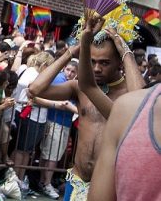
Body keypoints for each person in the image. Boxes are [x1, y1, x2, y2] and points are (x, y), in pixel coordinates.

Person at [27, 16, 145, 201]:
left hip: (107, 188)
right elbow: (35, 89)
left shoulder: (128, 95)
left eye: (104, 63)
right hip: (76, 182)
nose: (96, 68)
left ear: (120, 63)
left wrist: (125, 51)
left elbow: (141, 104)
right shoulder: (80, 88)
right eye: (92, 61)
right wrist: (69, 53)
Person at [87, 85, 161, 201]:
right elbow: (87, 86)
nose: (97, 68)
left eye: (105, 64)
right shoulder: (127, 107)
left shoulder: (129, 105)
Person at [11, 51, 55, 189]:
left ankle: (20, 177)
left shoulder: (36, 75)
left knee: (27, 151)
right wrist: (53, 103)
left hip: (37, 117)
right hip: (27, 115)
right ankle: (15, 179)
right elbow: (30, 92)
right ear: (44, 65)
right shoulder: (31, 73)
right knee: (21, 149)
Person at [38, 60, 78, 199]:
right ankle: (46, 183)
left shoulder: (73, 84)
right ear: (64, 69)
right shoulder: (60, 79)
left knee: (52, 154)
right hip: (55, 122)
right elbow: (64, 102)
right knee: (50, 155)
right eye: (68, 70)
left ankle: (44, 182)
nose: (69, 73)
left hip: (64, 124)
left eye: (73, 72)